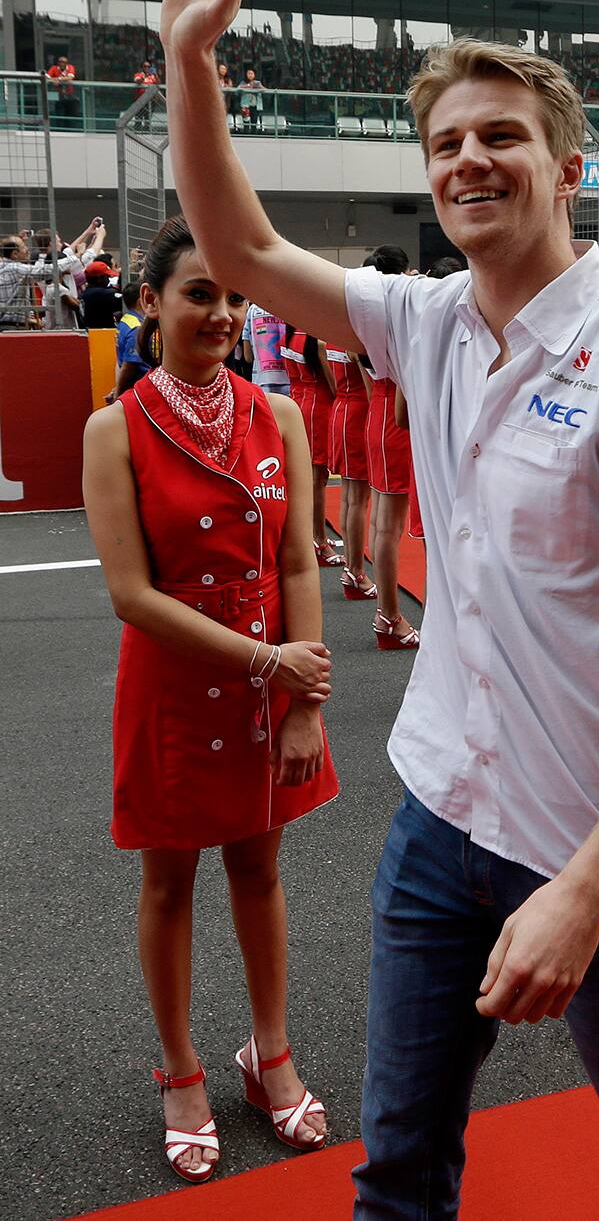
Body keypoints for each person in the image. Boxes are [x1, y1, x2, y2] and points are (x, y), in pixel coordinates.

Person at [159, 0, 599, 1218]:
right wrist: (190, 58)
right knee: (398, 1169)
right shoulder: (427, 321)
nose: (467, 161)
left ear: (570, 170)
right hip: (438, 824)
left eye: (501, 136)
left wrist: (580, 893)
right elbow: (237, 241)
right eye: (445, 143)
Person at [82, 215, 337, 1184]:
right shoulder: (115, 429)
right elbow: (131, 595)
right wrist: (269, 662)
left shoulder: (281, 415)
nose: (223, 313)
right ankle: (181, 1069)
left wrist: (302, 695)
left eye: (235, 295)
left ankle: (269, 1050)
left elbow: (301, 557)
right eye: (199, 293)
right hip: (175, 688)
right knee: (169, 879)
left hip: (272, 687)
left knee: (261, 871)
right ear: (149, 301)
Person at [362, 244, 420, 650]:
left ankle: (387, 613)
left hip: (376, 412)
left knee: (383, 519)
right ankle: (389, 615)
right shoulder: (398, 317)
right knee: (389, 523)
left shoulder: (366, 317)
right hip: (394, 417)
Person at [280, 324, 342, 568]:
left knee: (303, 478)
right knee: (317, 480)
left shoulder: (290, 335)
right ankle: (318, 539)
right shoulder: (318, 341)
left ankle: (311, 537)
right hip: (318, 408)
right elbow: (334, 385)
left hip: (298, 401)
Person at [328, 342, 375, 601]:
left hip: (341, 409)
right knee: (357, 498)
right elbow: (372, 389)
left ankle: (351, 565)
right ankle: (355, 570)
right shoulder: (354, 341)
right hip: (358, 414)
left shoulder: (327, 336)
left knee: (349, 496)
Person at [241, 303, 290, 395]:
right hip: (291, 383)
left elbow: (248, 357)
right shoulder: (290, 308)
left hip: (262, 383)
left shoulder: (252, 310)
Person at [113, 281, 150, 398]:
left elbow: (120, 361)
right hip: (139, 389)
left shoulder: (125, 320)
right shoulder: (137, 328)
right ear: (141, 301)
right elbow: (128, 366)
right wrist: (118, 394)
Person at [79, 260, 122, 329]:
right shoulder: (99, 294)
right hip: (101, 335)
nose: (108, 280)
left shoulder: (88, 292)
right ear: (99, 278)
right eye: (107, 277)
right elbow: (126, 299)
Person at [47, 54, 80, 125]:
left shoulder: (70, 67)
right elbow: (47, 78)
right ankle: (60, 130)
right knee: (59, 114)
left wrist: (58, 79)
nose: (62, 63)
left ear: (66, 63)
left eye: (64, 62)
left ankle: (71, 130)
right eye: (60, 62)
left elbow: (70, 77)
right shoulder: (54, 68)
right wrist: (54, 80)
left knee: (71, 113)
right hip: (59, 95)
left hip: (70, 95)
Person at [237, 67, 266, 131]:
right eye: (248, 73)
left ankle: (254, 134)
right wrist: (247, 86)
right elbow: (237, 89)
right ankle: (246, 134)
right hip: (245, 105)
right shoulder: (243, 82)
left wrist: (259, 87)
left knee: (254, 121)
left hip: (255, 105)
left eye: (251, 73)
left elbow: (265, 90)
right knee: (246, 122)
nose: (250, 75)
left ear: (254, 75)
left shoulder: (258, 82)